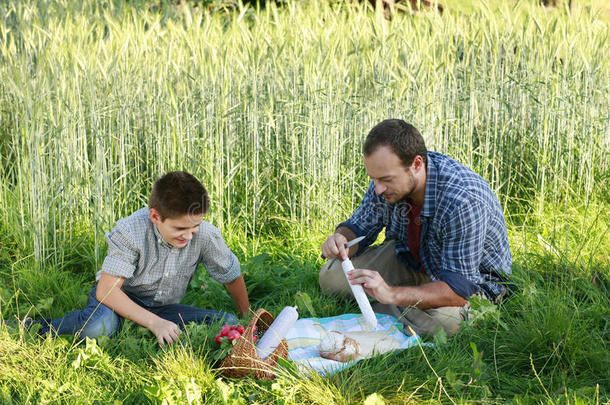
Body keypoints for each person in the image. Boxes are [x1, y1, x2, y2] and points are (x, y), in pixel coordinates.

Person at [320, 119, 512, 336]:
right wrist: (341, 239)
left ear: (417, 164)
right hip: (411, 258)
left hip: (469, 284)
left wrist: (391, 293)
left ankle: (386, 306)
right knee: (332, 277)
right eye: (373, 179)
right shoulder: (385, 181)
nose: (378, 189)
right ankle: (397, 311)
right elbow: (359, 226)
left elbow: (458, 289)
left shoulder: (462, 200)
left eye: (386, 180)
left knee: (446, 324)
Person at [33, 171, 250, 346]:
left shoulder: (205, 234)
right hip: (118, 300)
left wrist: (246, 316)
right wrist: (156, 324)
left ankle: (146, 325)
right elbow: (106, 291)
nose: (189, 235)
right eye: (180, 228)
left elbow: (230, 274)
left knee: (227, 323)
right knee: (97, 328)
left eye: (195, 226)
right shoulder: (131, 231)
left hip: (162, 307)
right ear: (156, 217)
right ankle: (38, 328)